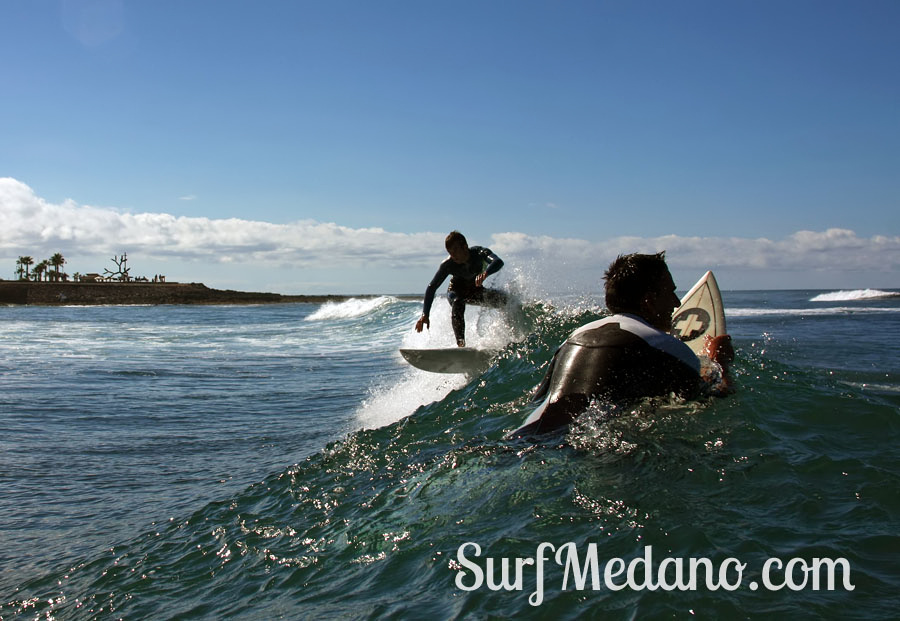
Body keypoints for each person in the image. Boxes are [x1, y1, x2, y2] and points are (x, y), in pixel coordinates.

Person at [512, 251, 734, 436]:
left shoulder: (575, 336)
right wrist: (720, 361)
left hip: (522, 435)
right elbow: (710, 400)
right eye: (671, 293)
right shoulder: (665, 347)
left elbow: (537, 400)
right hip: (571, 443)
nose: (676, 303)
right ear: (649, 302)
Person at [415, 231, 507, 347]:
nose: (453, 256)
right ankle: (460, 344)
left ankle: (509, 334)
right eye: (450, 253)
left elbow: (498, 262)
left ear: (465, 246)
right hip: (456, 291)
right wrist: (425, 314)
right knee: (458, 302)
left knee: (504, 300)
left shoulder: (479, 253)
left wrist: (486, 273)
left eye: (455, 251)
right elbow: (432, 287)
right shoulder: (448, 264)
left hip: (475, 290)